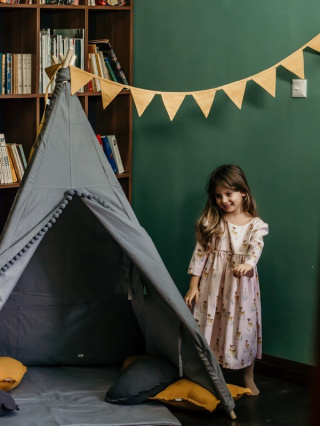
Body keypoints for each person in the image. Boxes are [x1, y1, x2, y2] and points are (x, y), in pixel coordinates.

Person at [184, 164, 268, 395]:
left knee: (244, 329)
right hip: (213, 287)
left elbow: (256, 248)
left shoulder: (255, 225)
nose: (223, 200)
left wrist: (248, 264)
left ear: (243, 192)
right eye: (218, 195)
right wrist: (194, 285)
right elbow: (200, 254)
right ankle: (212, 374)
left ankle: (248, 376)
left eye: (229, 193)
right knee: (210, 325)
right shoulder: (212, 223)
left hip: (241, 289)